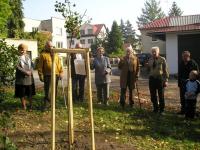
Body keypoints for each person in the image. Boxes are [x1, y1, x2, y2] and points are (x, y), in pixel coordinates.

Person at [38, 41, 63, 109]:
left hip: (56, 75)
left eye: (51, 46)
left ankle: (53, 104)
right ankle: (47, 105)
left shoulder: (56, 55)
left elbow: (59, 65)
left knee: (55, 90)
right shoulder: (43, 55)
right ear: (46, 47)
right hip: (47, 75)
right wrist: (40, 75)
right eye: (49, 46)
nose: (51, 48)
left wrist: (61, 72)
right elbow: (40, 66)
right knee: (47, 90)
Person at [147, 47, 169, 114]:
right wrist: (147, 67)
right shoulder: (150, 59)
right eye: (152, 52)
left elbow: (165, 70)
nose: (153, 53)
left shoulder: (162, 59)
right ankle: (155, 108)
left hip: (160, 79)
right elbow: (149, 70)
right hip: (152, 79)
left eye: (155, 52)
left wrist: (166, 80)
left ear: (158, 52)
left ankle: (162, 110)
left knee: (161, 95)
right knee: (153, 95)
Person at [15, 43, 35, 110]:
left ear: (26, 50)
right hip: (21, 79)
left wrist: (31, 71)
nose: (22, 51)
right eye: (21, 50)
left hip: (29, 78)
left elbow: (32, 65)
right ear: (18, 50)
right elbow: (17, 67)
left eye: (24, 50)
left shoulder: (28, 57)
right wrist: (25, 72)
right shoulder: (17, 57)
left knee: (30, 93)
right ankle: (24, 106)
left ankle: (31, 106)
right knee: (22, 93)